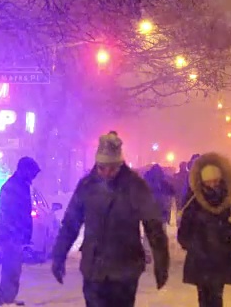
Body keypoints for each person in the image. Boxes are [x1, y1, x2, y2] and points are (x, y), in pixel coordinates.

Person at [51, 131, 169, 307]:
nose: (106, 173)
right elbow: (70, 224)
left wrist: (161, 261)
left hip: (125, 268)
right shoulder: (87, 186)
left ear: (120, 164)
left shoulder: (134, 185)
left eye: (112, 168)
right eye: (102, 167)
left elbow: (153, 226)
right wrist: (59, 255)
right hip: (94, 268)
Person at [178, 153, 231, 307]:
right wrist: (188, 242)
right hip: (200, 254)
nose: (213, 185)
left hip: (221, 253)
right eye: (209, 182)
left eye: (215, 181)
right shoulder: (193, 197)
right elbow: (186, 223)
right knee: (203, 295)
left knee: (215, 295)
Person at [0, 157, 41, 307]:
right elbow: (14, 213)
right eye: (33, 173)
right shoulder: (16, 187)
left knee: (13, 268)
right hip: (11, 234)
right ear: (25, 171)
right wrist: (17, 233)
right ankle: (6, 300)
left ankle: (8, 298)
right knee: (11, 268)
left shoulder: (18, 185)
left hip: (13, 234)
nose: (34, 177)